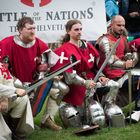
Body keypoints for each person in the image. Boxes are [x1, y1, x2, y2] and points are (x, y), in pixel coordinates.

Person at [40, 19, 124, 130]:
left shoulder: (87, 45)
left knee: (113, 85)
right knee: (86, 115)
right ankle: (84, 113)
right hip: (76, 85)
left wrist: (101, 76)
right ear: (68, 32)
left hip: (91, 80)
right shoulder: (64, 50)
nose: (79, 32)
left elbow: (94, 66)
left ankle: (107, 110)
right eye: (76, 30)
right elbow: (70, 78)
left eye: (80, 29)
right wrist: (85, 82)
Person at [96, 15, 140, 121]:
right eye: (118, 25)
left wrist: (131, 57)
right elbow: (110, 60)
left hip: (122, 75)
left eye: (123, 25)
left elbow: (126, 54)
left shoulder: (122, 38)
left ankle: (137, 112)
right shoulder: (104, 40)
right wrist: (125, 64)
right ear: (111, 25)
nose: (121, 28)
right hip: (108, 78)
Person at [0, 61, 34, 140]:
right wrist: (14, 90)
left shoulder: (1, 66)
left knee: (23, 99)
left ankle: (14, 131)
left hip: (2, 99)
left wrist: (5, 98)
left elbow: (9, 80)